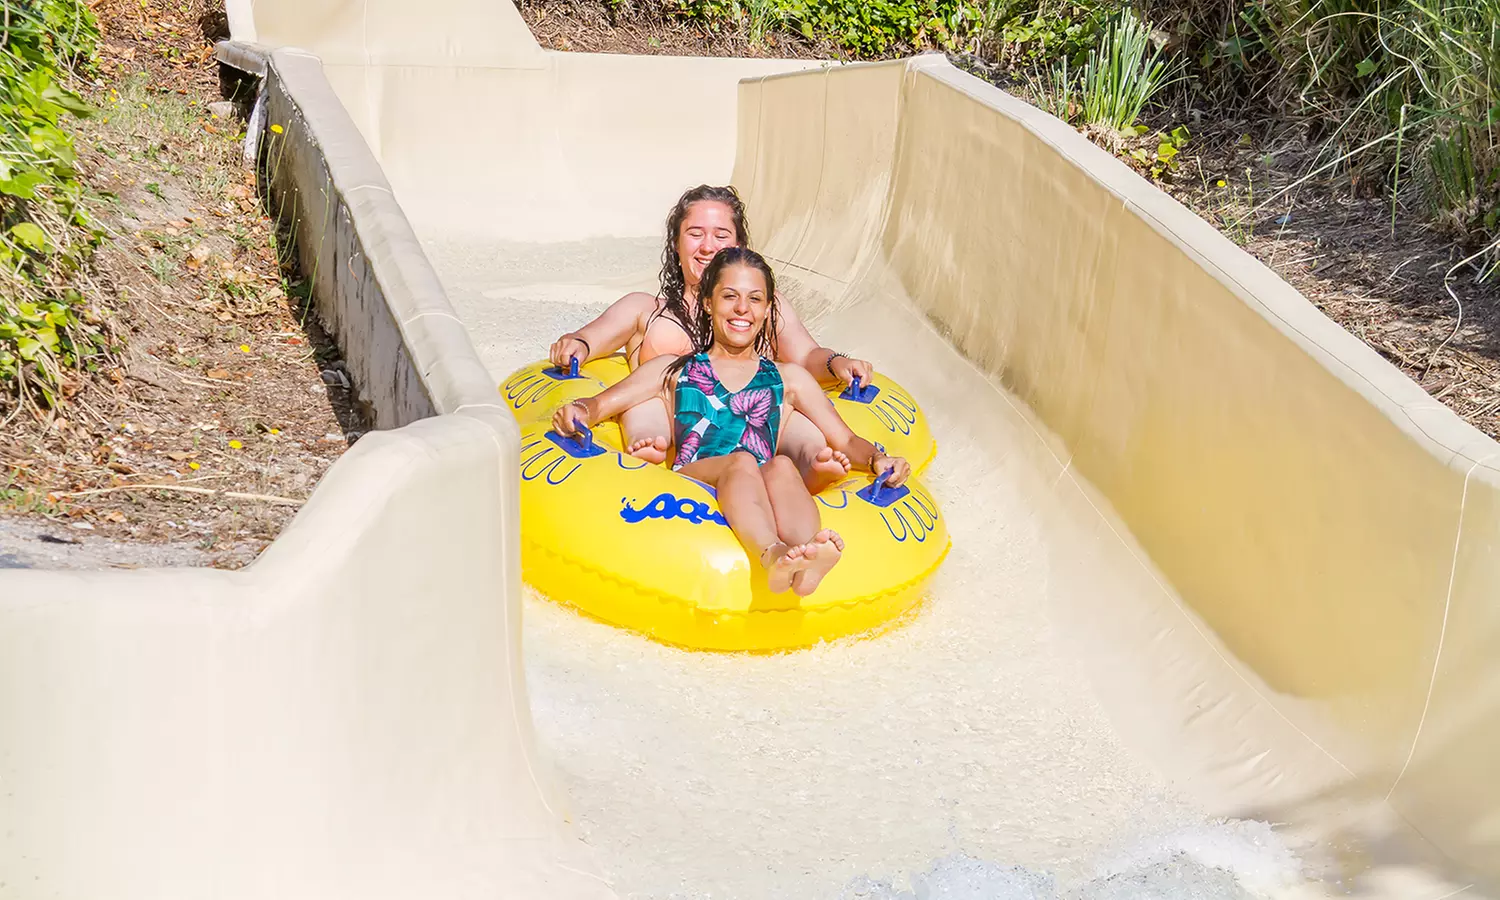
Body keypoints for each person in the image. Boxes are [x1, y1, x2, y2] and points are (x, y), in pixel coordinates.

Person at [552, 247, 910, 597]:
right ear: (708, 303)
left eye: (755, 299)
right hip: (695, 485)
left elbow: (845, 441)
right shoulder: (674, 370)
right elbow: (600, 404)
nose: (743, 309)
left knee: (782, 465)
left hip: (756, 487)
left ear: (769, 308)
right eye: (729, 296)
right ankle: (772, 553)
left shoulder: (788, 379)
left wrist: (880, 460)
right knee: (741, 462)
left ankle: (807, 556)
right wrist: (578, 410)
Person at [548, 184, 873, 493]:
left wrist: (836, 363)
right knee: (647, 399)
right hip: (669, 430)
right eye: (695, 234)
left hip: (751, 439)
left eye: (721, 235)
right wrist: (577, 343)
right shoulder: (644, 310)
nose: (707, 246)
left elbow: (805, 355)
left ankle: (812, 460)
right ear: (676, 243)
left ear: (739, 246)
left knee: (788, 408)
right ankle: (647, 451)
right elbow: (591, 338)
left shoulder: (761, 309)